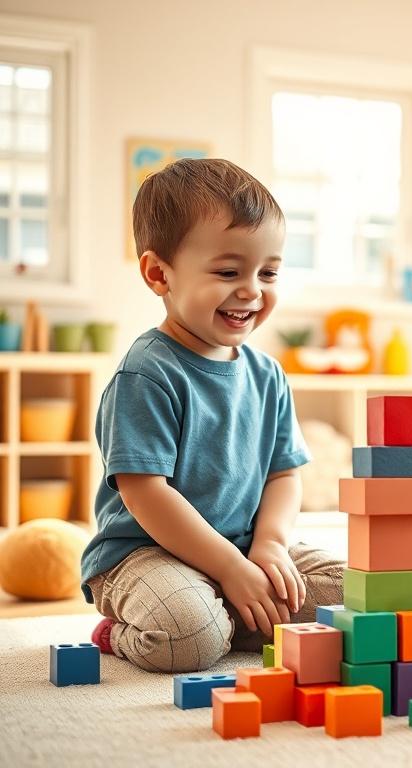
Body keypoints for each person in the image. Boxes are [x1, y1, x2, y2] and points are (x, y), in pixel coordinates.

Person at [80, 158, 345, 673]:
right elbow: (144, 492)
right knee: (190, 638)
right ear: (159, 274)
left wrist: (268, 545)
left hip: (242, 546)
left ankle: (234, 609)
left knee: (361, 594)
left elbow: (284, 474)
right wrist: (229, 567)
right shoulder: (147, 373)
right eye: (228, 272)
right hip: (146, 554)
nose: (252, 290)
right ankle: (135, 628)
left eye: (268, 272)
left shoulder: (268, 375)